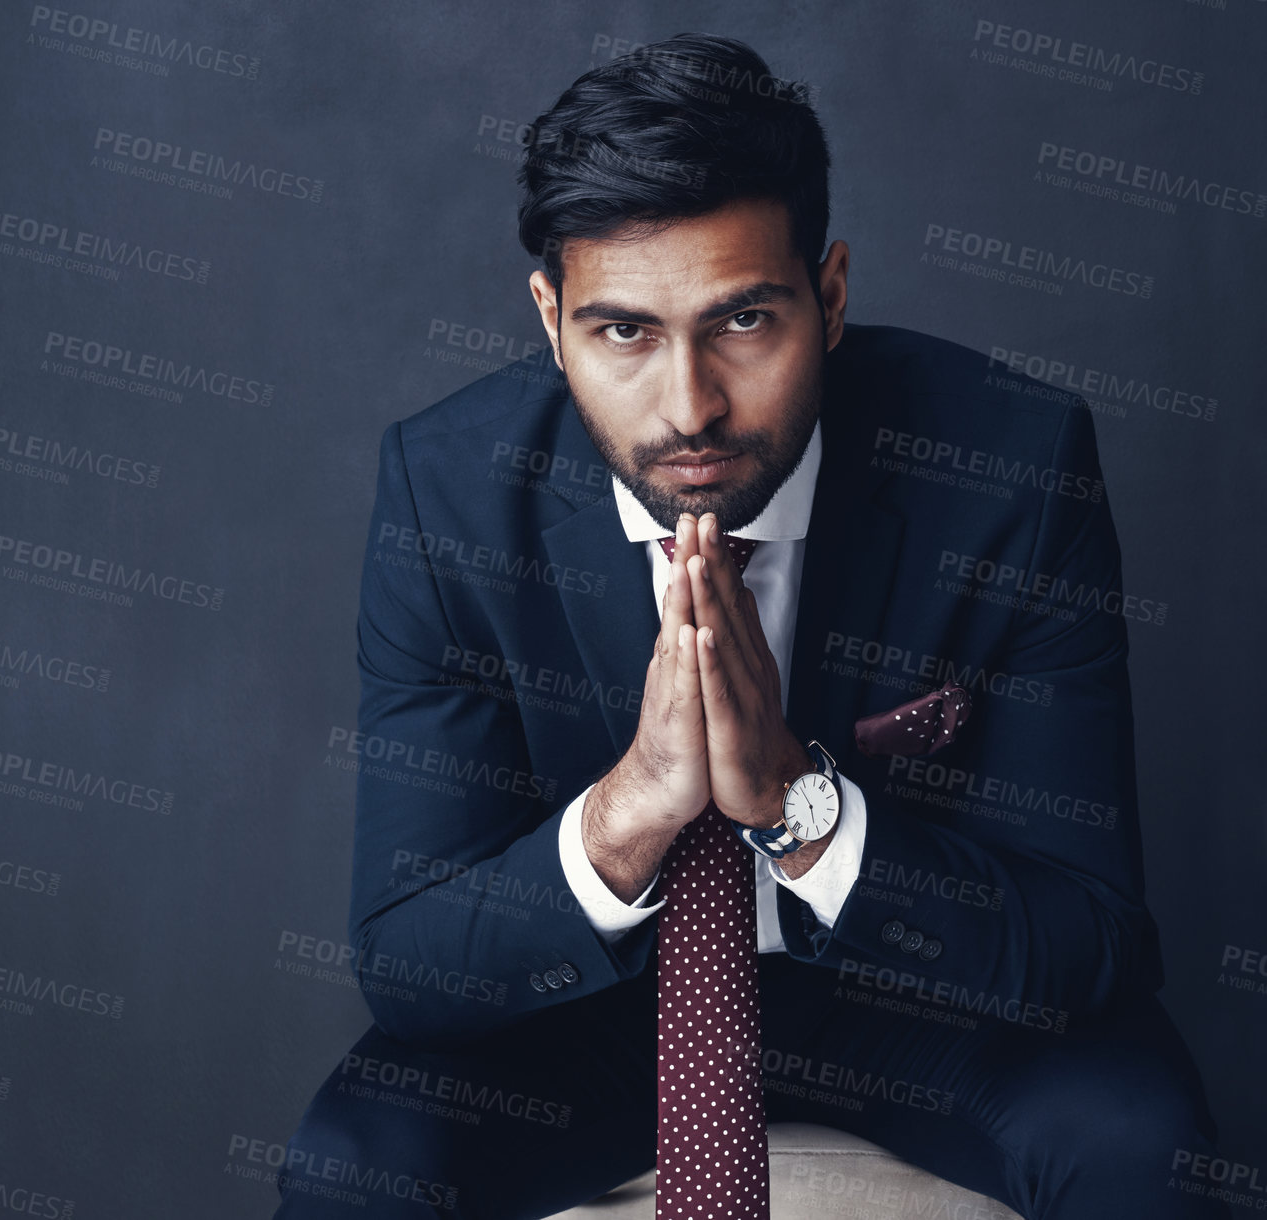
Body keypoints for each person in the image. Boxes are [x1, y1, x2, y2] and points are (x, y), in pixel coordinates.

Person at [275, 33, 1223, 1219]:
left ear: (827, 297)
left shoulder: (1012, 469)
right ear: (549, 316)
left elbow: (1091, 939)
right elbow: (409, 960)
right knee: (351, 1162)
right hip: (592, 1017)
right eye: (623, 330)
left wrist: (797, 801)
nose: (690, 405)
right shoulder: (447, 490)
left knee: (1149, 1150)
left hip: (915, 998)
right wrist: (632, 808)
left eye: (743, 323)